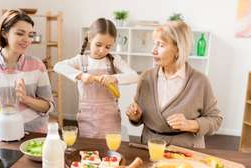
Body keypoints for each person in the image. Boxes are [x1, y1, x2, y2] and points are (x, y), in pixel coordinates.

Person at [0, 9, 54, 167]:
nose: (27, 39)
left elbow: (48, 105)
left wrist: (26, 99)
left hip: (35, 136)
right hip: (2, 136)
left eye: (30, 35)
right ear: (5, 33)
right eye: (20, 33)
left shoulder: (37, 65)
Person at [126, 20, 223, 148]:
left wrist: (190, 124)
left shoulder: (199, 81)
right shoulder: (146, 78)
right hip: (150, 148)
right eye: (154, 44)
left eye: (160, 45)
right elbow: (139, 119)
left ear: (178, 49)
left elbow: (216, 119)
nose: (153, 51)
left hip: (186, 151)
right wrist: (135, 117)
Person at [54, 18, 138, 139]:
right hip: (87, 117)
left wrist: (114, 78)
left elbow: (134, 76)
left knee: (110, 149)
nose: (102, 50)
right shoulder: (81, 60)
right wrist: (81, 75)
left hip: (110, 117)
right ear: (89, 38)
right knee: (89, 149)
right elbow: (58, 66)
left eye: (108, 47)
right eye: (98, 45)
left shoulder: (114, 60)